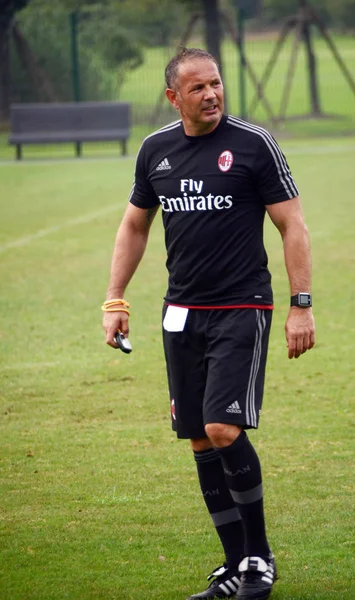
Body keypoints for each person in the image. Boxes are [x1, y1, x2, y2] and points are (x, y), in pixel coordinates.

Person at [102, 47, 315, 600]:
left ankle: (259, 557)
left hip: (242, 305)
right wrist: (115, 300)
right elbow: (134, 226)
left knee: (223, 428)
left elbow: (292, 224)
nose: (211, 94)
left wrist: (302, 303)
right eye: (197, 88)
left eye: (216, 83)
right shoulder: (156, 151)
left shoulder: (253, 144)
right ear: (174, 97)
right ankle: (233, 568)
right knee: (199, 439)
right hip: (182, 311)